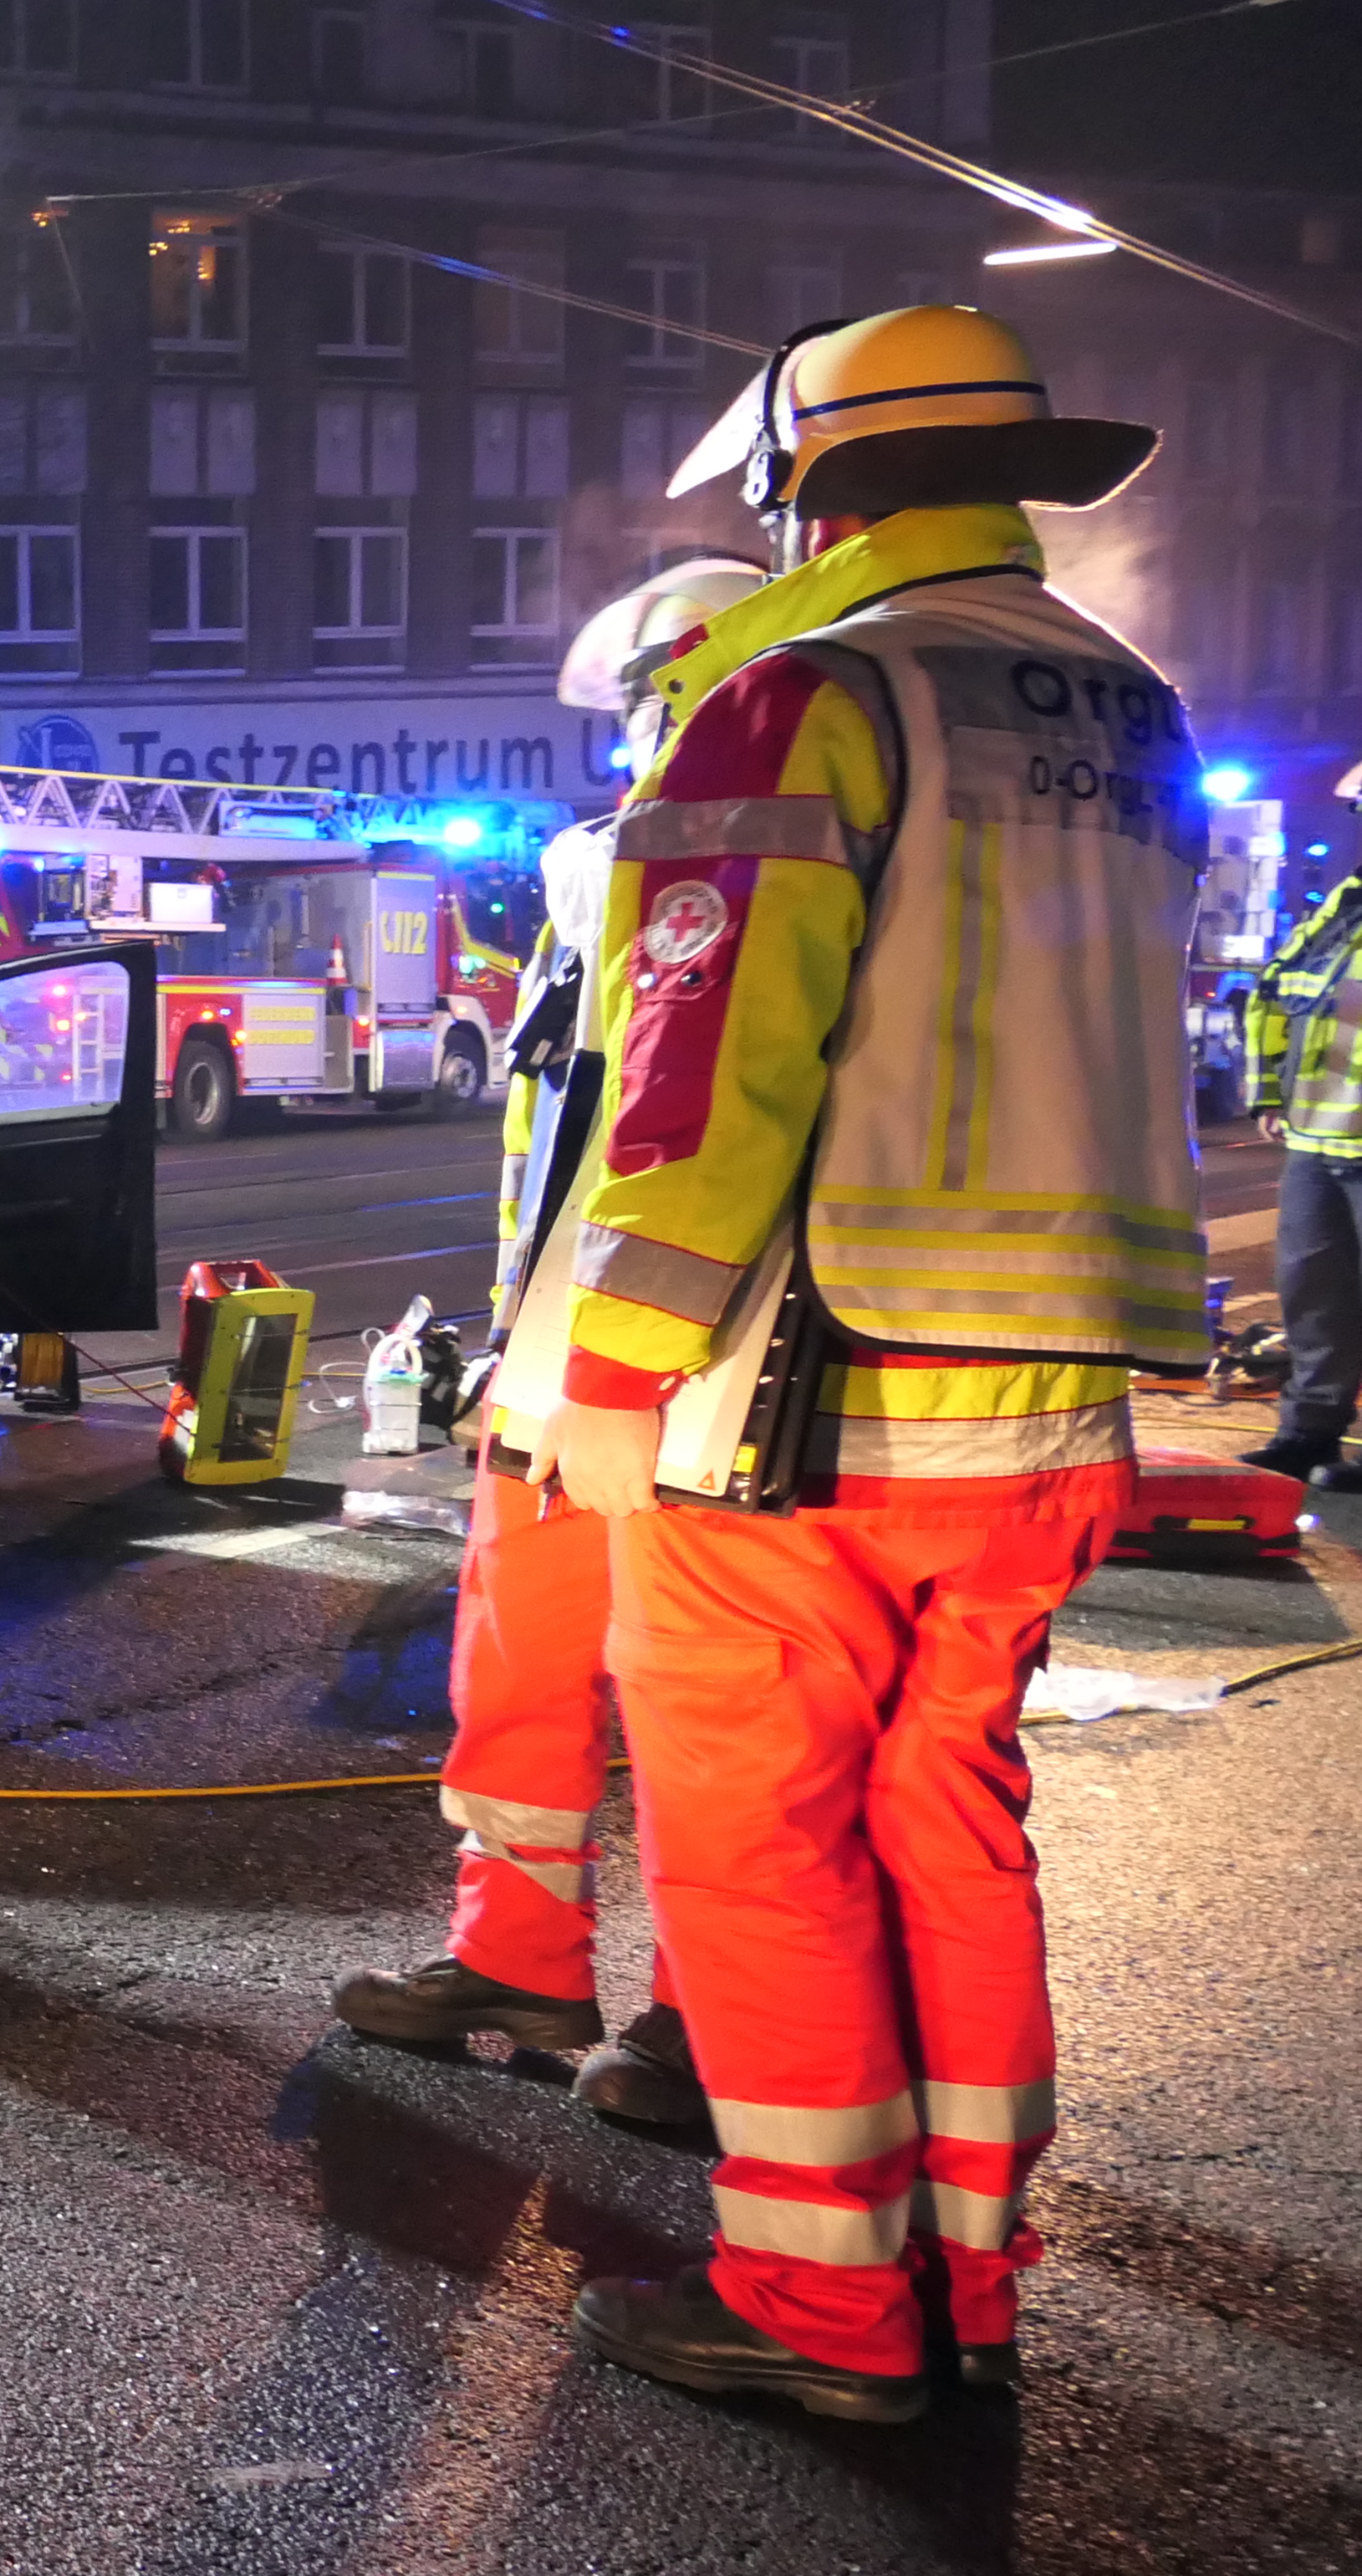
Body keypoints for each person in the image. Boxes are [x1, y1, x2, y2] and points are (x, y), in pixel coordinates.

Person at [524, 306, 1197, 2423]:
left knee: (759, 1853)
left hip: (805, 1414)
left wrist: (609, 1373)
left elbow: (703, 1078)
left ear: (797, 490)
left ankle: (821, 2310)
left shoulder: (797, 693)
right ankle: (966, 2285)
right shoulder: (1127, 700)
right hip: (1055, 1414)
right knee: (951, 1829)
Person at [329, 560, 763, 2128]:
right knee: (514, 1675)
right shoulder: (606, 867)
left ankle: (721, 2029)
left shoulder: (739, 854)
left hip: (690, 1369)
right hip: (567, 1350)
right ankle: (519, 1962)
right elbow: (574, 1136)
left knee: (703, 1719)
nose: (635, 739)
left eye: (650, 702)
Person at [1239, 865, 1362, 1485]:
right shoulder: (1347, 902)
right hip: (1319, 1138)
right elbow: (1273, 994)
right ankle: (1307, 1436)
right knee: (1315, 1296)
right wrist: (1267, 1092)